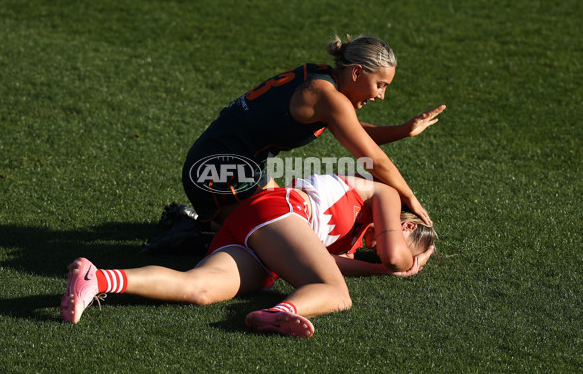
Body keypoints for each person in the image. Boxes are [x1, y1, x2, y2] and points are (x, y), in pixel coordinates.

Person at [144, 34, 445, 253]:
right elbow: (374, 160)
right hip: (220, 170)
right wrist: (411, 197)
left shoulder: (321, 79)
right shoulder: (329, 98)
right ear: (356, 72)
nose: (381, 95)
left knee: (293, 223)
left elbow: (351, 130)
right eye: (381, 85)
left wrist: (403, 130)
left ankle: (199, 221)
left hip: (235, 163)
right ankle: (186, 234)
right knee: (275, 244)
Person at [63, 174, 437, 337]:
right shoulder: (382, 193)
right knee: (337, 294)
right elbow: (392, 258)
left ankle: (97, 278)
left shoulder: (352, 244)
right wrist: (404, 268)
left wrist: (367, 266)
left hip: (263, 239)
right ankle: (280, 313)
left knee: (200, 289)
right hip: (280, 212)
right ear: (406, 229)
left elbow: (310, 260)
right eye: (413, 246)